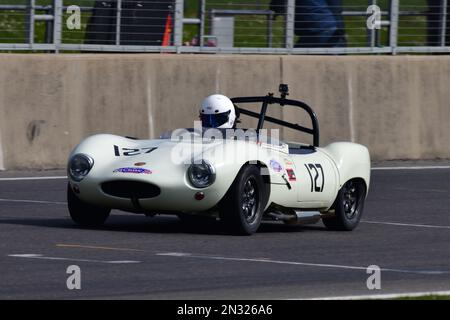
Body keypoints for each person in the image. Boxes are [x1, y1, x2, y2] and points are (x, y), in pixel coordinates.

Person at [270, 0, 347, 48]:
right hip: (331, 28)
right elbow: (336, 8)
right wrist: (341, 31)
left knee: (294, 62)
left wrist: (275, 9)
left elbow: (278, 4)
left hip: (314, 31)